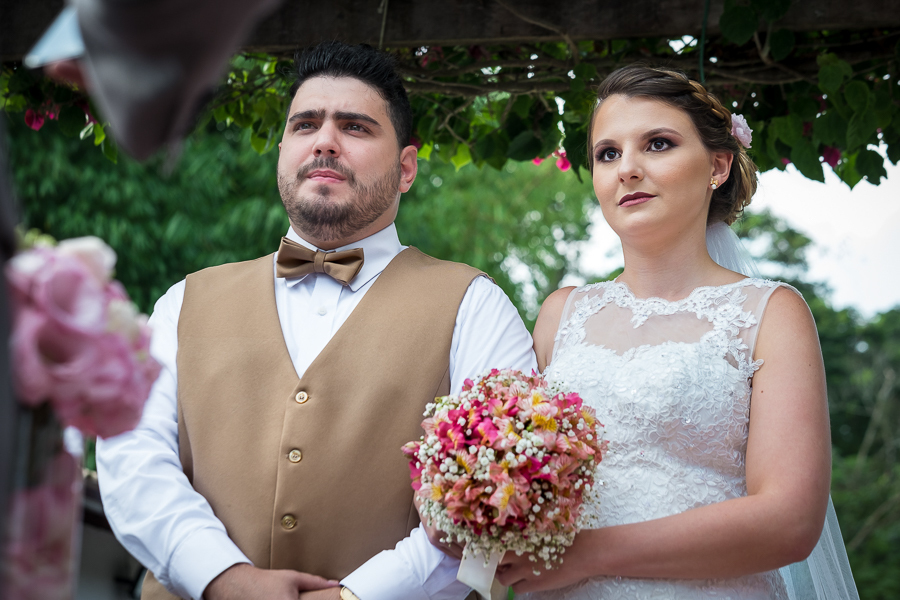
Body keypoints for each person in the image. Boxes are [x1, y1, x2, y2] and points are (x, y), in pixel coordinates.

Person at [96, 42, 536, 600]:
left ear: (406, 168)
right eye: (306, 124)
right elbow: (133, 460)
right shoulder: (183, 301)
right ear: (282, 150)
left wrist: (362, 596)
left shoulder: (475, 305)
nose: (325, 140)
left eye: (355, 127)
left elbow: (498, 491)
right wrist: (224, 579)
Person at [493, 66, 859, 599]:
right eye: (608, 154)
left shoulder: (770, 313)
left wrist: (588, 555)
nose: (627, 170)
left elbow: (789, 522)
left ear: (717, 164)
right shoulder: (560, 314)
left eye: (657, 144)